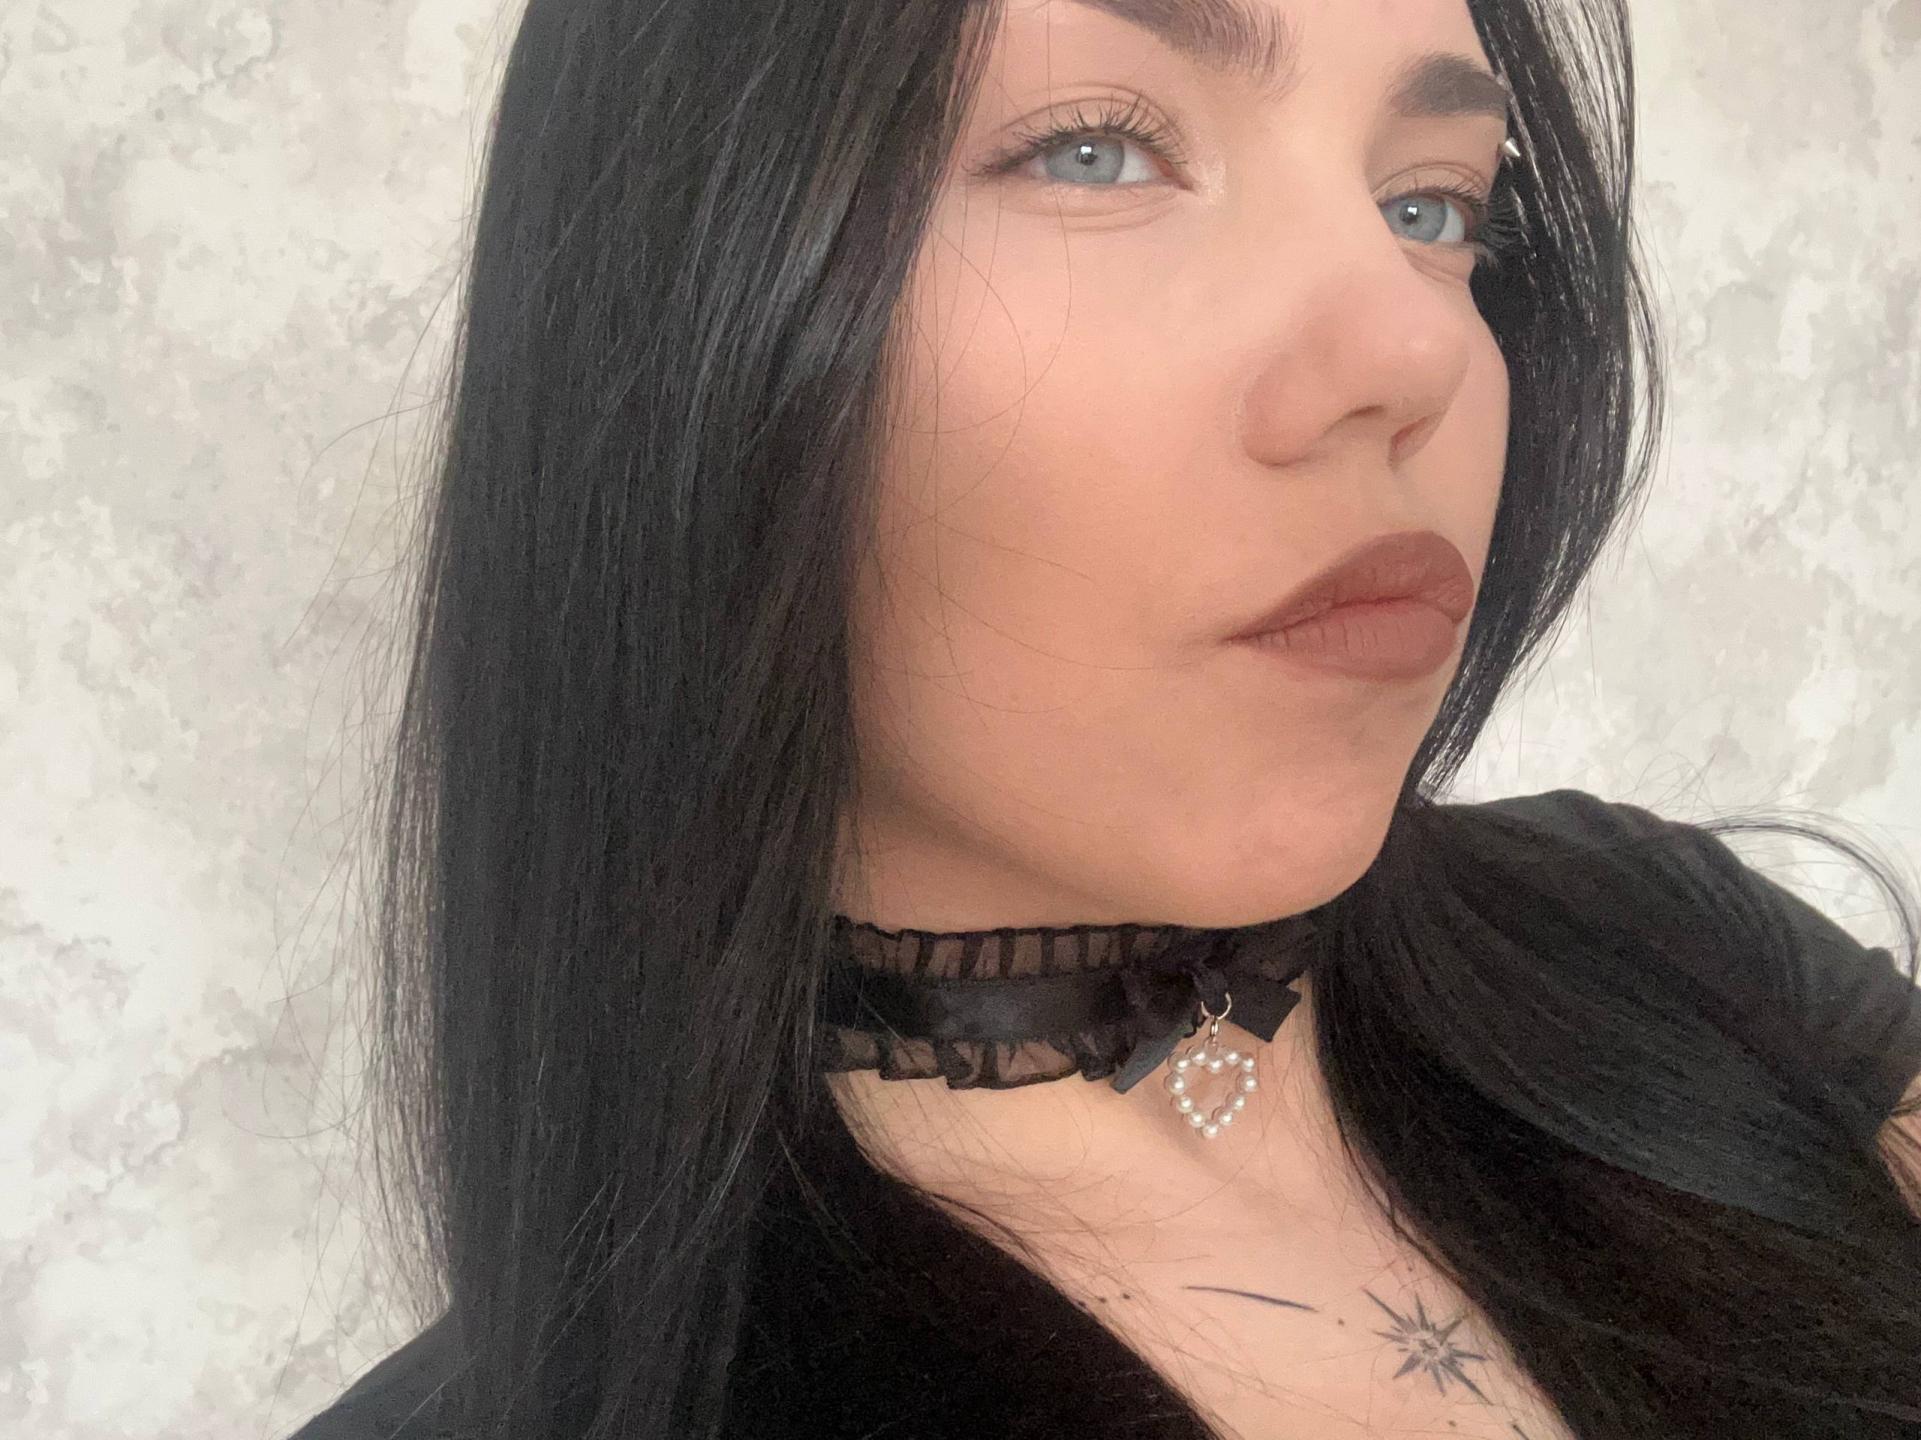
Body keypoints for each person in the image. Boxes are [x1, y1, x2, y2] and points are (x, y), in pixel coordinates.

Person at [286, 0, 1921, 1436]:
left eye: (1430, 205)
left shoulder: (1659, 941)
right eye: (1093, 152)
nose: (1416, 341)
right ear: (676, 322)